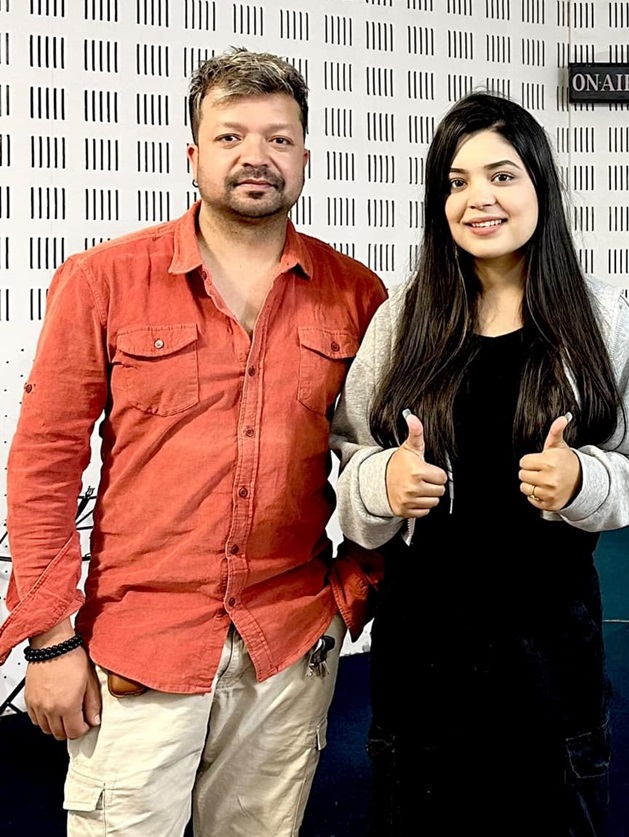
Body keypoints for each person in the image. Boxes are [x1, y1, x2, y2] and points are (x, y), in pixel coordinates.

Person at [0, 48, 386, 836]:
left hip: (287, 648)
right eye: (230, 136)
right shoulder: (102, 280)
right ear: (193, 154)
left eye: (279, 139)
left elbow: (378, 460)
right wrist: (49, 640)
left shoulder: (357, 294)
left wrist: (349, 595)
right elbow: (44, 464)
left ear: (305, 158)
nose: (256, 156)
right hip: (138, 649)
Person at [331, 92, 629, 835]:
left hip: (550, 659)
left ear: (540, 184)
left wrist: (582, 481)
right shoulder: (403, 318)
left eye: (502, 176)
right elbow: (350, 459)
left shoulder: (599, 319)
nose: (478, 198)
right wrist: (383, 484)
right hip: (422, 659)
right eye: (457, 182)